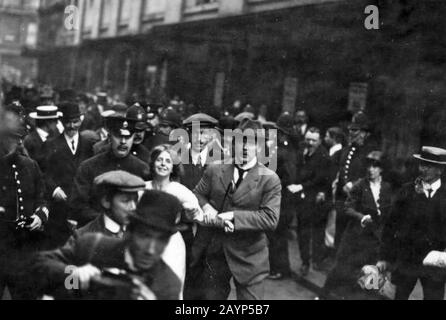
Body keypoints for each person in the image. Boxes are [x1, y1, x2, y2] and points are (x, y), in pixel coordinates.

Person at [32, 190, 183, 300]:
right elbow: (36, 266)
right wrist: (73, 275)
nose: (151, 250)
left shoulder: (168, 286)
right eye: (145, 236)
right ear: (130, 230)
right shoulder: (93, 245)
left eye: (161, 240)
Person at [190, 119, 281, 300]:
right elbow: (197, 194)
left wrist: (233, 217)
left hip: (249, 257)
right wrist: (208, 207)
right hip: (217, 253)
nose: (246, 148)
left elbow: (270, 218)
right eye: (242, 141)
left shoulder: (269, 178)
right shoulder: (215, 169)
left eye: (253, 142)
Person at [378, 146, 446, 300]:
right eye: (422, 164)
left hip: (435, 263)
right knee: (399, 296)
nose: (423, 169)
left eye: (429, 166)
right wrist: (384, 257)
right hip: (407, 259)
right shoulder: (407, 191)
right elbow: (390, 225)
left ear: (440, 170)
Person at [324, 151, 392, 299]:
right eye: (369, 165)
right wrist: (361, 217)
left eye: (375, 166)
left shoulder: (386, 188)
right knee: (342, 270)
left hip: (374, 242)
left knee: (370, 279)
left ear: (382, 169)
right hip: (355, 239)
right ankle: (324, 295)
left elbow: (388, 213)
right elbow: (347, 207)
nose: (371, 169)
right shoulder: (360, 185)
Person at [69, 114, 150, 227]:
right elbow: (78, 206)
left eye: (127, 137)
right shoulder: (88, 167)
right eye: (118, 136)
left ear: (133, 138)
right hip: (96, 230)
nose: (123, 141)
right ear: (109, 137)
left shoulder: (142, 169)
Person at [145, 144, 204, 293]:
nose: (163, 164)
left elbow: (198, 214)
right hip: (145, 242)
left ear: (173, 168)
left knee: (170, 289)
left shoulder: (179, 190)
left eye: (168, 161)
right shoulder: (142, 189)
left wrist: (192, 214)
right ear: (153, 164)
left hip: (171, 246)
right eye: (159, 160)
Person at [0, 123, 49, 299]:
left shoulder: (31, 165)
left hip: (25, 248)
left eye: (21, 138)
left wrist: (40, 216)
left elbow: (42, 199)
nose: (19, 143)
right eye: (13, 138)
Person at [43, 101, 95, 247]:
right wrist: (54, 189)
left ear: (81, 120)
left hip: (83, 209)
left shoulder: (89, 144)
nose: (72, 126)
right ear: (61, 122)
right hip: (59, 210)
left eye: (75, 122)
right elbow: (43, 173)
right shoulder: (51, 144)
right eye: (68, 122)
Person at [288, 127, 330, 275]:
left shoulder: (323, 155)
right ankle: (305, 260)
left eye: (314, 140)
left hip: (314, 197)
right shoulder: (302, 150)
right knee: (301, 231)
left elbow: (320, 178)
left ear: (320, 140)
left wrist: (301, 186)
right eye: (308, 139)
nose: (310, 142)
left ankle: (312, 261)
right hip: (301, 197)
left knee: (311, 232)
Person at [334, 112, 378, 249]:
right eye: (350, 130)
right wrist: (344, 183)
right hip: (344, 199)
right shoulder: (347, 149)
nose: (351, 133)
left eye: (355, 130)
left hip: (360, 200)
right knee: (339, 232)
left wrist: (354, 185)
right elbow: (342, 169)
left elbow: (371, 174)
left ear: (365, 133)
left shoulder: (370, 152)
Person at [267, 112, 297, 279]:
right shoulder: (287, 149)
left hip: (282, 197)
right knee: (278, 235)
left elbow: (287, 176)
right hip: (282, 197)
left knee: (277, 234)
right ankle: (281, 268)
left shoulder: (284, 151)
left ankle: (279, 269)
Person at [75, 170, 145, 239]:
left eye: (135, 200)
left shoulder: (142, 233)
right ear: (106, 202)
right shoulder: (82, 237)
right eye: (125, 201)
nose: (133, 207)